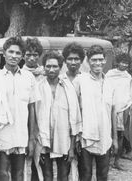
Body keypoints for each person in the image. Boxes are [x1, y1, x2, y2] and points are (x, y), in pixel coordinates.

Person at [0, 36, 39, 181]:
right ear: (4, 53)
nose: (14, 56)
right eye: (11, 52)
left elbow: (32, 110)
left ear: (22, 56)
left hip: (21, 135)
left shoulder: (29, 77)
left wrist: (31, 139)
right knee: (2, 175)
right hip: (1, 134)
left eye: (18, 53)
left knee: (19, 175)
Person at [34, 51, 81, 181]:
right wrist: (37, 142)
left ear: (60, 67)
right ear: (44, 67)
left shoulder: (68, 88)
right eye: (48, 66)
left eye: (55, 66)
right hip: (43, 141)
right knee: (47, 176)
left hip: (64, 140)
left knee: (63, 176)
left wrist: (72, 147)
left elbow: (74, 118)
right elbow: (34, 117)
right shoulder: (38, 87)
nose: (51, 69)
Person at [75, 45, 118, 181]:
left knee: (103, 175)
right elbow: (74, 110)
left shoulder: (110, 83)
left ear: (105, 60)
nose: (98, 63)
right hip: (86, 137)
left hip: (105, 137)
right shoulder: (80, 81)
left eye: (100, 59)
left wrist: (115, 139)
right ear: (88, 61)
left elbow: (113, 112)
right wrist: (76, 136)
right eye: (94, 60)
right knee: (85, 175)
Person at [105, 52, 132, 170]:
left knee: (121, 135)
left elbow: (128, 92)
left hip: (124, 108)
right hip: (111, 107)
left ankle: (117, 161)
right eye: (122, 62)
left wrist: (128, 104)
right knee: (108, 133)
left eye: (126, 63)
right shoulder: (110, 74)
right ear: (117, 62)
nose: (124, 65)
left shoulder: (128, 76)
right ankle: (106, 159)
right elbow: (107, 90)